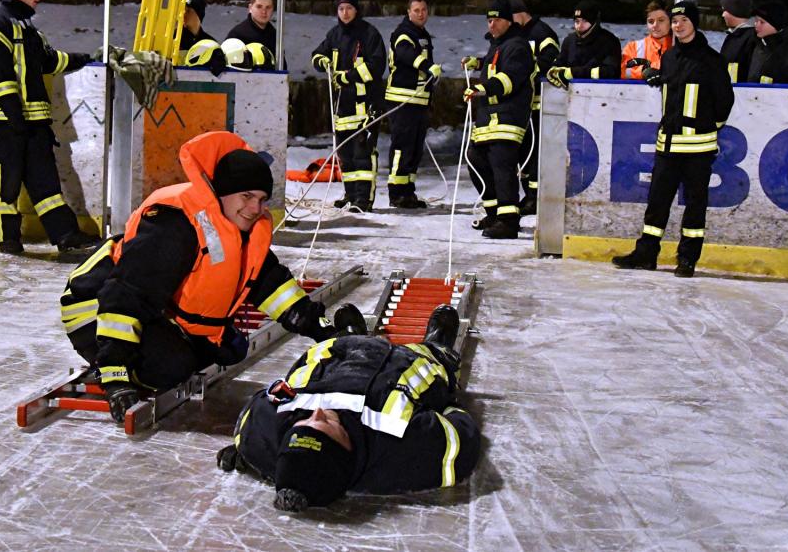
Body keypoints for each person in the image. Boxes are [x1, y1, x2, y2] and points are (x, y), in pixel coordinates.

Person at [59, 131, 344, 422]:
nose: (255, 209)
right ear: (221, 192)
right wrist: (116, 378)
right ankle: (124, 365)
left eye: (261, 199)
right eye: (246, 196)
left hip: (149, 307)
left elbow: (272, 285)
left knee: (229, 350)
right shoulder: (175, 224)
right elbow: (126, 297)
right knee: (171, 366)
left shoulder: (238, 229)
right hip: (95, 308)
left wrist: (323, 331)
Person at [216, 304, 480, 512]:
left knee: (332, 350)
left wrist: (249, 454)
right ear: (346, 448)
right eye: (327, 425)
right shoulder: (401, 450)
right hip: (407, 362)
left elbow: (253, 422)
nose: (317, 413)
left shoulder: (265, 433)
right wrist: (449, 406)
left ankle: (351, 335)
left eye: (304, 423)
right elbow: (461, 439)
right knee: (433, 359)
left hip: (341, 354)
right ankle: (438, 345)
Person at [0, 0, 98, 255]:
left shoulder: (28, 27)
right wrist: (14, 116)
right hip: (5, 124)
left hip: (33, 124)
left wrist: (84, 58)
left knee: (46, 186)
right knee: (5, 189)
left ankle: (66, 235)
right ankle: (8, 242)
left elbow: (49, 61)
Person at [612, 0, 734, 278]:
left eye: (684, 21)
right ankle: (646, 254)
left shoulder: (711, 60)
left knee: (695, 205)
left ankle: (687, 258)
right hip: (667, 145)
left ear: (694, 24)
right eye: (675, 21)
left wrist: (707, 128)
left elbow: (724, 102)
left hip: (698, 148)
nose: (678, 26)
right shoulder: (669, 57)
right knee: (656, 203)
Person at [461, 0, 535, 239]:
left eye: (497, 20)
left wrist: (483, 88)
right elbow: (496, 63)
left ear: (508, 21)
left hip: (507, 119)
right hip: (489, 120)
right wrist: (478, 63)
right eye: (489, 20)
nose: (491, 24)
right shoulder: (499, 45)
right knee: (475, 159)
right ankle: (494, 214)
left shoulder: (518, 46)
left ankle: (509, 221)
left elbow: (510, 78)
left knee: (502, 168)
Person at [311, 0, 387, 212]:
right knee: (346, 156)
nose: (345, 13)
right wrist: (321, 61)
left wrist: (348, 76)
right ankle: (351, 195)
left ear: (356, 10)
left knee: (363, 155)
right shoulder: (334, 34)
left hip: (366, 106)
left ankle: (363, 200)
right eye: (341, 9)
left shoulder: (369, 34)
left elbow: (377, 65)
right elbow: (317, 54)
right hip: (342, 107)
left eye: (349, 8)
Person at [384, 0, 442, 209]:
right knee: (402, 146)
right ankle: (396, 192)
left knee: (415, 149)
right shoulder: (403, 33)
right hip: (402, 99)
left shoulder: (422, 34)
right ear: (408, 12)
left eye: (424, 10)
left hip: (419, 101)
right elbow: (405, 53)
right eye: (416, 10)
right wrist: (427, 66)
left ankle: (408, 191)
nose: (420, 14)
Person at [510, 0, 560, 216]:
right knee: (523, 154)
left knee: (536, 154)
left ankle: (535, 197)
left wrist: (525, 68)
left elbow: (550, 59)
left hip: (539, 104)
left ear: (520, 13)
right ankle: (528, 195)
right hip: (521, 105)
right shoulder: (517, 33)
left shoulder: (542, 33)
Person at [545, 0, 621, 90]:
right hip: (571, 94)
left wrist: (573, 72)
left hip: (601, 94)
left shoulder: (609, 41)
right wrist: (553, 71)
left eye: (584, 21)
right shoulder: (569, 41)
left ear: (594, 22)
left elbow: (610, 72)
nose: (580, 26)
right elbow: (560, 63)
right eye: (577, 21)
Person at [225, 0, 283, 70]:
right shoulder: (237, 35)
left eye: (268, 7)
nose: (264, 12)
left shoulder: (275, 36)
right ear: (250, 8)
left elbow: (282, 68)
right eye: (259, 7)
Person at [620, 0, 672, 80]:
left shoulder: (679, 47)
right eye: (651, 21)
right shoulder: (633, 47)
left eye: (661, 20)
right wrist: (644, 71)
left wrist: (651, 67)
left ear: (671, 22)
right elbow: (622, 71)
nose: (655, 25)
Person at [718, 0, 758, 84]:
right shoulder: (732, 36)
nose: (723, 15)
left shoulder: (752, 39)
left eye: (725, 10)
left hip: (741, 92)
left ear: (734, 11)